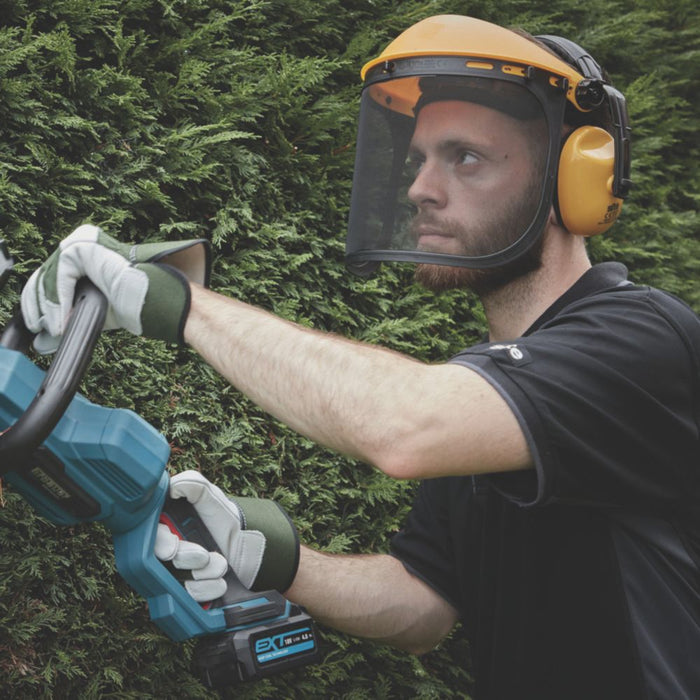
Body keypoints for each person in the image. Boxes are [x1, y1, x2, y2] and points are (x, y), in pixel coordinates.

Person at [20, 14, 700, 700]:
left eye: (464, 157)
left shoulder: (643, 338)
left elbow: (405, 429)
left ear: (572, 182)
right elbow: (423, 605)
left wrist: (181, 305)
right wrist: (274, 556)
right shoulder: (489, 389)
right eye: (418, 161)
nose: (419, 189)